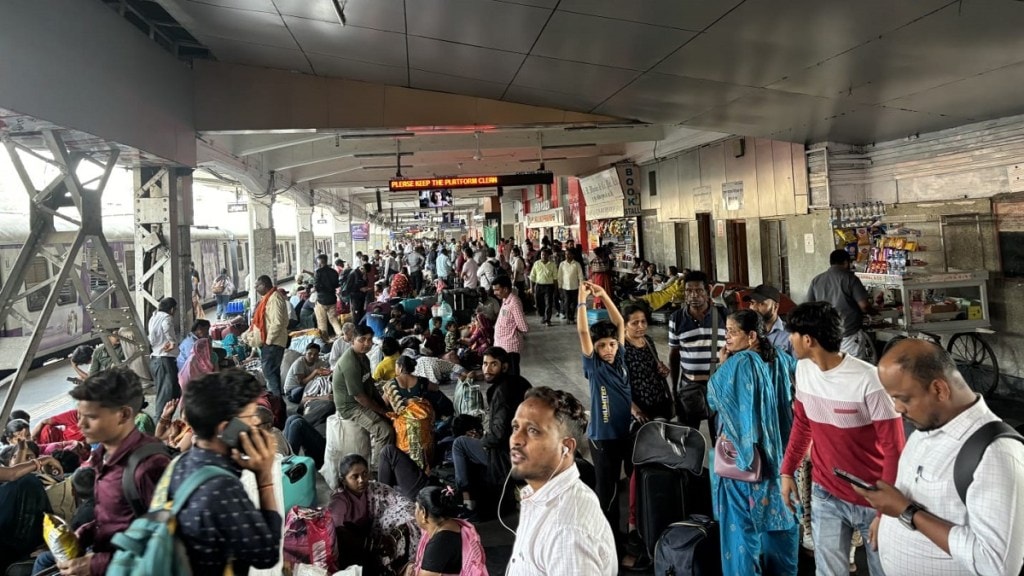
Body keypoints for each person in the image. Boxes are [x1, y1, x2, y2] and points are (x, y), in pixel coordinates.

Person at [854, 339, 1024, 576]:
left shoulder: (994, 454)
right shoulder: (925, 428)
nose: (897, 409)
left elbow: (998, 565)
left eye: (903, 398)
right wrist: (885, 518)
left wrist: (907, 511)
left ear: (939, 390)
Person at [779, 301, 905, 576]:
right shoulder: (803, 370)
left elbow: (894, 449)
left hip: (873, 498)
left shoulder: (870, 381)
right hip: (826, 493)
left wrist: (886, 511)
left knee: (884, 571)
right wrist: (787, 471)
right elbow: (803, 425)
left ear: (808, 340)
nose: (789, 340)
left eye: (793, 334)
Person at [37, 367, 170, 576]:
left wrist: (97, 564)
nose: (80, 425)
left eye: (91, 417)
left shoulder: (149, 467)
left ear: (124, 414)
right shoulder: (103, 458)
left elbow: (163, 543)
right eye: (79, 416)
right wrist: (87, 532)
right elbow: (122, 519)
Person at [707, 310, 798, 575]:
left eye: (732, 332)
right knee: (781, 522)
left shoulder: (739, 363)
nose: (727, 338)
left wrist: (723, 365)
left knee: (740, 530)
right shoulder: (782, 358)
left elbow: (713, 399)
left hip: (744, 459)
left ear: (752, 336)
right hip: (780, 459)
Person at [168, 369, 282, 574]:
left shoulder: (180, 463)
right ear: (225, 429)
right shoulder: (221, 489)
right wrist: (264, 477)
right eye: (249, 416)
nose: (256, 422)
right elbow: (266, 555)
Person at [507, 387, 617, 575]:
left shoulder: (567, 531)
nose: (516, 439)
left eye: (533, 430)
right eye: (516, 427)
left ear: (566, 447)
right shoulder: (540, 496)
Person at [575, 280, 632, 547]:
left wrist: (604, 294)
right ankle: (605, 541)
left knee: (623, 489)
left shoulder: (620, 359)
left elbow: (620, 323)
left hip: (623, 435)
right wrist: (582, 299)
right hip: (603, 439)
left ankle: (619, 536)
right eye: (602, 346)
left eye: (611, 344)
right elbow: (583, 332)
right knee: (606, 492)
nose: (608, 349)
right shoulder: (595, 368)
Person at [451, 347, 531, 512]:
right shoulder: (520, 382)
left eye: (493, 364)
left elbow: (499, 434)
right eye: (485, 364)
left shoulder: (500, 392)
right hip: (527, 451)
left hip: (506, 458)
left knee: (460, 444)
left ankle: (467, 503)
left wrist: (483, 440)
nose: (487, 369)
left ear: (505, 367)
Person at [329, 453, 420, 574]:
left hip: (372, 536)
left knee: (406, 517)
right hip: (353, 545)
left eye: (365, 473)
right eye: (354, 477)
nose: (361, 480)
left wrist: (394, 533)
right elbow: (338, 530)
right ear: (344, 481)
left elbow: (401, 502)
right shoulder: (340, 499)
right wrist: (372, 544)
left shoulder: (375, 488)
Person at [667, 270, 728, 430]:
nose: (693, 295)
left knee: (720, 437)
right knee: (688, 435)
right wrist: (674, 387)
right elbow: (674, 354)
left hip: (718, 386)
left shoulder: (723, 315)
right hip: (689, 386)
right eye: (689, 291)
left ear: (707, 291)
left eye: (698, 290)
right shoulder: (677, 318)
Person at [333, 326, 395, 469]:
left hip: (362, 400)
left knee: (391, 419)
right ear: (352, 340)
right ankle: (379, 470)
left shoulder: (363, 358)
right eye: (362, 340)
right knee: (385, 432)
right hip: (350, 406)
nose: (367, 344)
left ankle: (390, 461)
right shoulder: (350, 363)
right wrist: (382, 411)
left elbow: (371, 387)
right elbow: (360, 398)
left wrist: (386, 409)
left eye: (369, 340)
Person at [806, 249, 877, 363]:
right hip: (848, 333)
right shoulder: (850, 278)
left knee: (833, 369)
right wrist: (873, 311)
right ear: (846, 262)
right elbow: (864, 306)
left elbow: (809, 307)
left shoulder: (817, 280)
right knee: (853, 368)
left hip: (825, 336)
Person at [409, 485, 487, 576]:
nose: (414, 512)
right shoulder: (452, 524)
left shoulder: (439, 545)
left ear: (423, 513)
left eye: (416, 507)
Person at [247, 275, 290, 398]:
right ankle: (278, 403)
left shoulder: (274, 298)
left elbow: (277, 322)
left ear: (264, 285)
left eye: (257, 286)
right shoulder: (268, 298)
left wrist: (268, 341)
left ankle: (276, 402)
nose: (255, 288)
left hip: (273, 342)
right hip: (272, 342)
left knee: (269, 373)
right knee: (272, 373)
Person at [148, 296, 180, 416]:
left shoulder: (153, 317)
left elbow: (151, 337)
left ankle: (164, 422)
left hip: (156, 358)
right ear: (172, 309)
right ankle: (160, 424)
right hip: (164, 360)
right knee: (165, 395)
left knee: (172, 392)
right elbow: (167, 328)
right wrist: (172, 342)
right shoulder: (167, 318)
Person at [491, 275, 528, 376]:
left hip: (510, 348)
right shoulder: (505, 300)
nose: (495, 293)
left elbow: (523, 327)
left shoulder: (514, 303)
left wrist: (512, 331)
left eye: (497, 290)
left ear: (506, 289)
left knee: (512, 377)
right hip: (502, 346)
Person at [744, 284, 794, 355]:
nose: (754, 308)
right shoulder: (745, 332)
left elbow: (798, 365)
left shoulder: (790, 335)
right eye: (752, 303)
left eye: (761, 303)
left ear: (775, 306)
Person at [314, 254, 345, 339]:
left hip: (322, 300)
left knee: (322, 322)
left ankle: (325, 340)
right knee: (334, 319)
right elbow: (336, 285)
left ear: (320, 261)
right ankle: (340, 335)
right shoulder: (334, 272)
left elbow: (316, 287)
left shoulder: (318, 272)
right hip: (332, 299)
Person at [529, 248, 558, 326]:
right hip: (539, 286)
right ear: (540, 255)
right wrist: (532, 288)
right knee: (539, 303)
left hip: (549, 286)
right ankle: (543, 316)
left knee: (548, 303)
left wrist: (556, 289)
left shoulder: (552, 264)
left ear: (548, 255)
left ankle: (547, 319)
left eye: (545, 254)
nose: (544, 256)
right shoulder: (536, 264)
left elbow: (555, 278)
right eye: (542, 254)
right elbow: (532, 277)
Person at [558, 248, 585, 324]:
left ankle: (572, 317)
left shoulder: (577, 264)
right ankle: (567, 317)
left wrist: (581, 285)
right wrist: (559, 286)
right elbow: (559, 276)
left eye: (569, 254)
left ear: (573, 255)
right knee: (566, 302)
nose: (567, 256)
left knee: (574, 303)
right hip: (565, 287)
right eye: (566, 254)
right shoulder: (562, 264)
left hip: (575, 287)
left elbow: (580, 276)